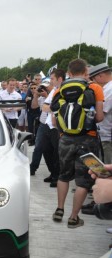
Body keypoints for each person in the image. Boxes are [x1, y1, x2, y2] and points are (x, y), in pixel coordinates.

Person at [52, 59, 105, 228]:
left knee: (63, 175)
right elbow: (99, 117)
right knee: (83, 180)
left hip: (65, 139)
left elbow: (54, 121)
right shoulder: (94, 88)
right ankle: (74, 217)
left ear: (69, 72)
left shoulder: (59, 90)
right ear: (85, 72)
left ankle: (59, 208)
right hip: (87, 139)